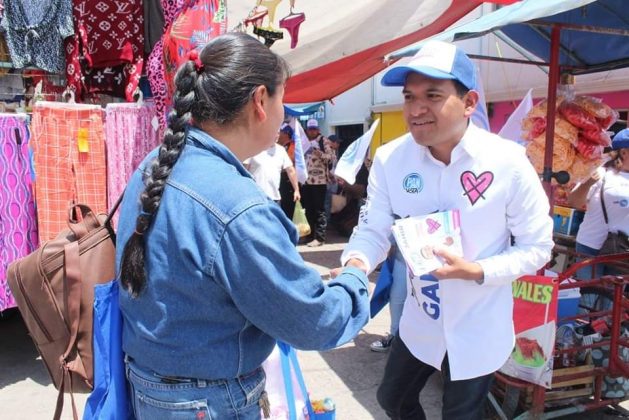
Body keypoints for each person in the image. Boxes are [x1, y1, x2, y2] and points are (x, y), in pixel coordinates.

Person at [116, 33, 370, 420]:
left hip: (149, 385)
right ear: (260, 101)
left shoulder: (155, 163)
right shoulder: (237, 206)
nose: (284, 113)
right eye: (283, 99)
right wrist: (354, 278)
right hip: (205, 402)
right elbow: (314, 322)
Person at [334, 40, 554, 419]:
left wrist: (477, 270)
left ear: (469, 102)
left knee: (461, 415)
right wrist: (355, 265)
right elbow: (374, 228)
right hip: (421, 320)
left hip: (478, 323)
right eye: (409, 97)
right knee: (392, 399)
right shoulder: (391, 159)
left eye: (432, 96)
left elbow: (537, 247)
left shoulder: (508, 162)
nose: (416, 109)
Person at [567, 129, 629, 308]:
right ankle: (583, 326)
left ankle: (602, 327)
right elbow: (574, 202)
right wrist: (587, 184)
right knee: (589, 301)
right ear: (623, 152)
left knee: (611, 304)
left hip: (621, 249)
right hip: (590, 246)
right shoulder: (600, 173)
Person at [301, 118, 336, 247]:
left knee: (319, 210)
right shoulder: (304, 141)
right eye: (310, 129)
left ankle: (320, 238)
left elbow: (331, 157)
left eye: (314, 129)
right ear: (307, 130)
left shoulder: (323, 141)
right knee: (308, 209)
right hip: (306, 181)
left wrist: (319, 153)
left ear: (318, 130)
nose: (312, 131)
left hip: (319, 181)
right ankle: (309, 235)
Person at [244, 129, 301, 206]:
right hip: (255, 198)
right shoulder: (254, 148)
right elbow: (244, 170)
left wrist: (296, 190)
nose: (277, 135)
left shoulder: (281, 150)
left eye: (278, 133)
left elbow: (291, 171)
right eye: (274, 132)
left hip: (274, 198)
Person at [277, 122, 300, 218]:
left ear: (286, 134)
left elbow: (289, 163)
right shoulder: (281, 147)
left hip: (288, 180)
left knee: (288, 208)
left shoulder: (292, 146)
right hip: (282, 180)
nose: (278, 134)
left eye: (280, 132)